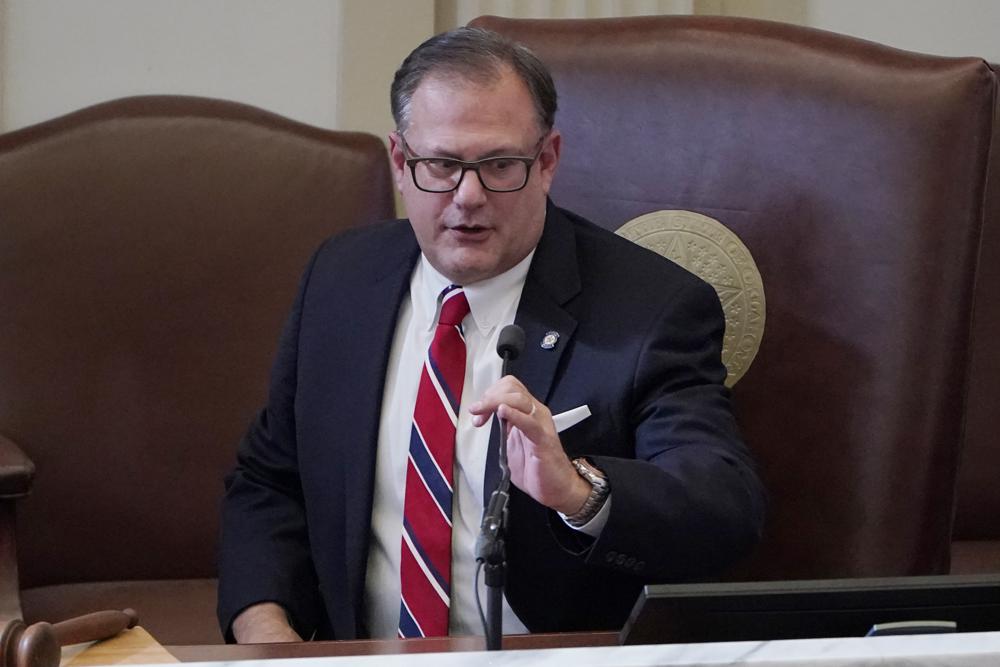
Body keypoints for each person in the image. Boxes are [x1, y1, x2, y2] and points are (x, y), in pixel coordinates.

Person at [217, 26, 765, 643]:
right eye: (442, 165)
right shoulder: (341, 281)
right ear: (401, 162)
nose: (468, 196)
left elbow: (723, 506)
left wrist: (581, 492)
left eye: (500, 165)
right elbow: (270, 482)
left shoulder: (652, 308)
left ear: (548, 160)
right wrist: (266, 632)